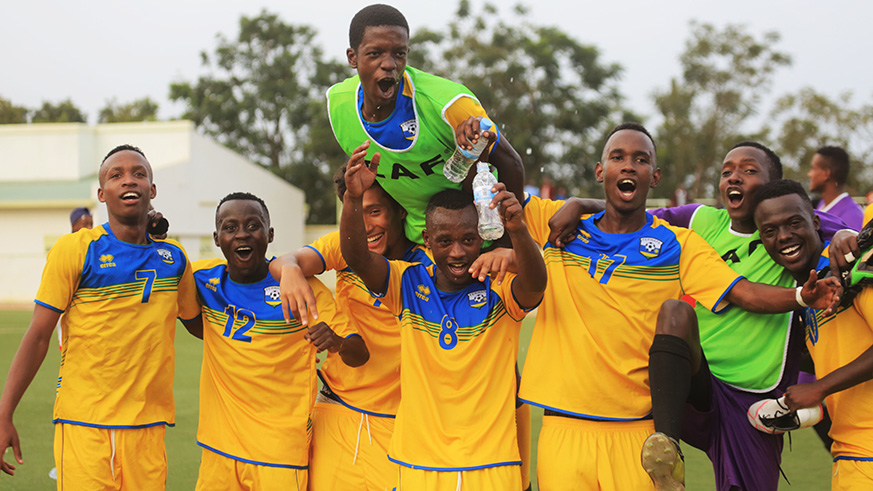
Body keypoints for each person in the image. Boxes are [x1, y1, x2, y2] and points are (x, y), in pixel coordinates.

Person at [517, 124, 839, 490]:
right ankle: (666, 444)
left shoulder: (783, 233)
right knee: (676, 313)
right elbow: (625, 210)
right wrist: (573, 204)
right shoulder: (700, 220)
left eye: (749, 171)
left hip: (742, 401)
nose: (734, 177)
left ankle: (676, 444)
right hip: (677, 389)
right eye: (727, 170)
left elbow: (758, 280)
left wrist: (833, 248)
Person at [339, 143, 547, 489]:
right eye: (445, 240)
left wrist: (519, 231)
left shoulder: (499, 288)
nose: (457, 251)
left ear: (482, 235)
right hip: (418, 465)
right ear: (427, 239)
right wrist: (352, 199)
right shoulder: (406, 282)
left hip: (490, 466)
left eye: (469, 239)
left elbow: (536, 284)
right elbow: (358, 258)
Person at [0, 145, 201, 489]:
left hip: (148, 429)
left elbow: (201, 325)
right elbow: (37, 336)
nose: (128, 181)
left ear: (151, 190)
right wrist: (4, 413)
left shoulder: (175, 258)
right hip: (84, 425)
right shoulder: (75, 249)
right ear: (102, 194)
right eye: (116, 175)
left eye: (139, 173)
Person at [189, 192, 367, 491]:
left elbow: (359, 353)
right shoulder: (203, 279)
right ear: (217, 238)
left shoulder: (300, 287)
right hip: (219, 448)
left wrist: (335, 341)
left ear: (269, 234)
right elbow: (194, 321)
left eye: (253, 225)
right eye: (230, 227)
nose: (242, 234)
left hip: (280, 451)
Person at [268, 162, 428, 490]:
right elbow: (284, 261)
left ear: (399, 210)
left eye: (376, 211)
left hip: (400, 423)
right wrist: (292, 271)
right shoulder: (344, 245)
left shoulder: (427, 260)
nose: (367, 225)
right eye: (357, 212)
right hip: (338, 411)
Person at [327, 4, 525, 246]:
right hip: (422, 244)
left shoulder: (450, 105)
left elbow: (511, 163)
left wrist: (504, 246)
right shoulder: (338, 106)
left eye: (399, 54)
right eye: (375, 53)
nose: (389, 64)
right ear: (352, 58)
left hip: (482, 239)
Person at [754, 179, 873, 490]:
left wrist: (819, 388)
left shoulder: (849, 269)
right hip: (850, 453)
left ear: (815, 222)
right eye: (770, 231)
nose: (784, 237)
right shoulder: (804, 296)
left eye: (794, 223)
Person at [809, 146, 863, 230]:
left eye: (813, 169)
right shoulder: (821, 206)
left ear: (826, 174)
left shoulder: (852, 215)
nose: (809, 174)